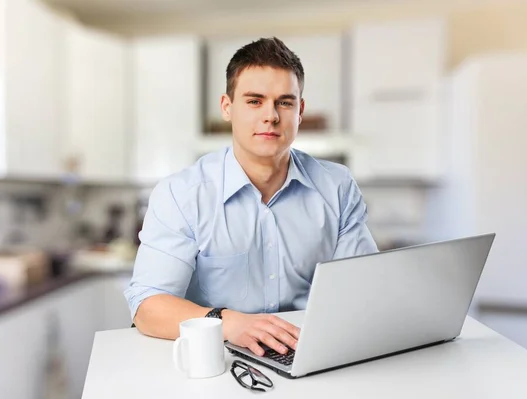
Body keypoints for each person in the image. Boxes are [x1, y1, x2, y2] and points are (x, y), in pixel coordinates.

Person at [125, 37, 378, 357]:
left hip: (311, 352)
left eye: (284, 102)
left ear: (299, 111)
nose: (270, 115)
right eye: (254, 101)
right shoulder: (182, 194)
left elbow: (364, 288)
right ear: (227, 107)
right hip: (217, 357)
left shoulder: (337, 187)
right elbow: (148, 306)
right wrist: (227, 322)